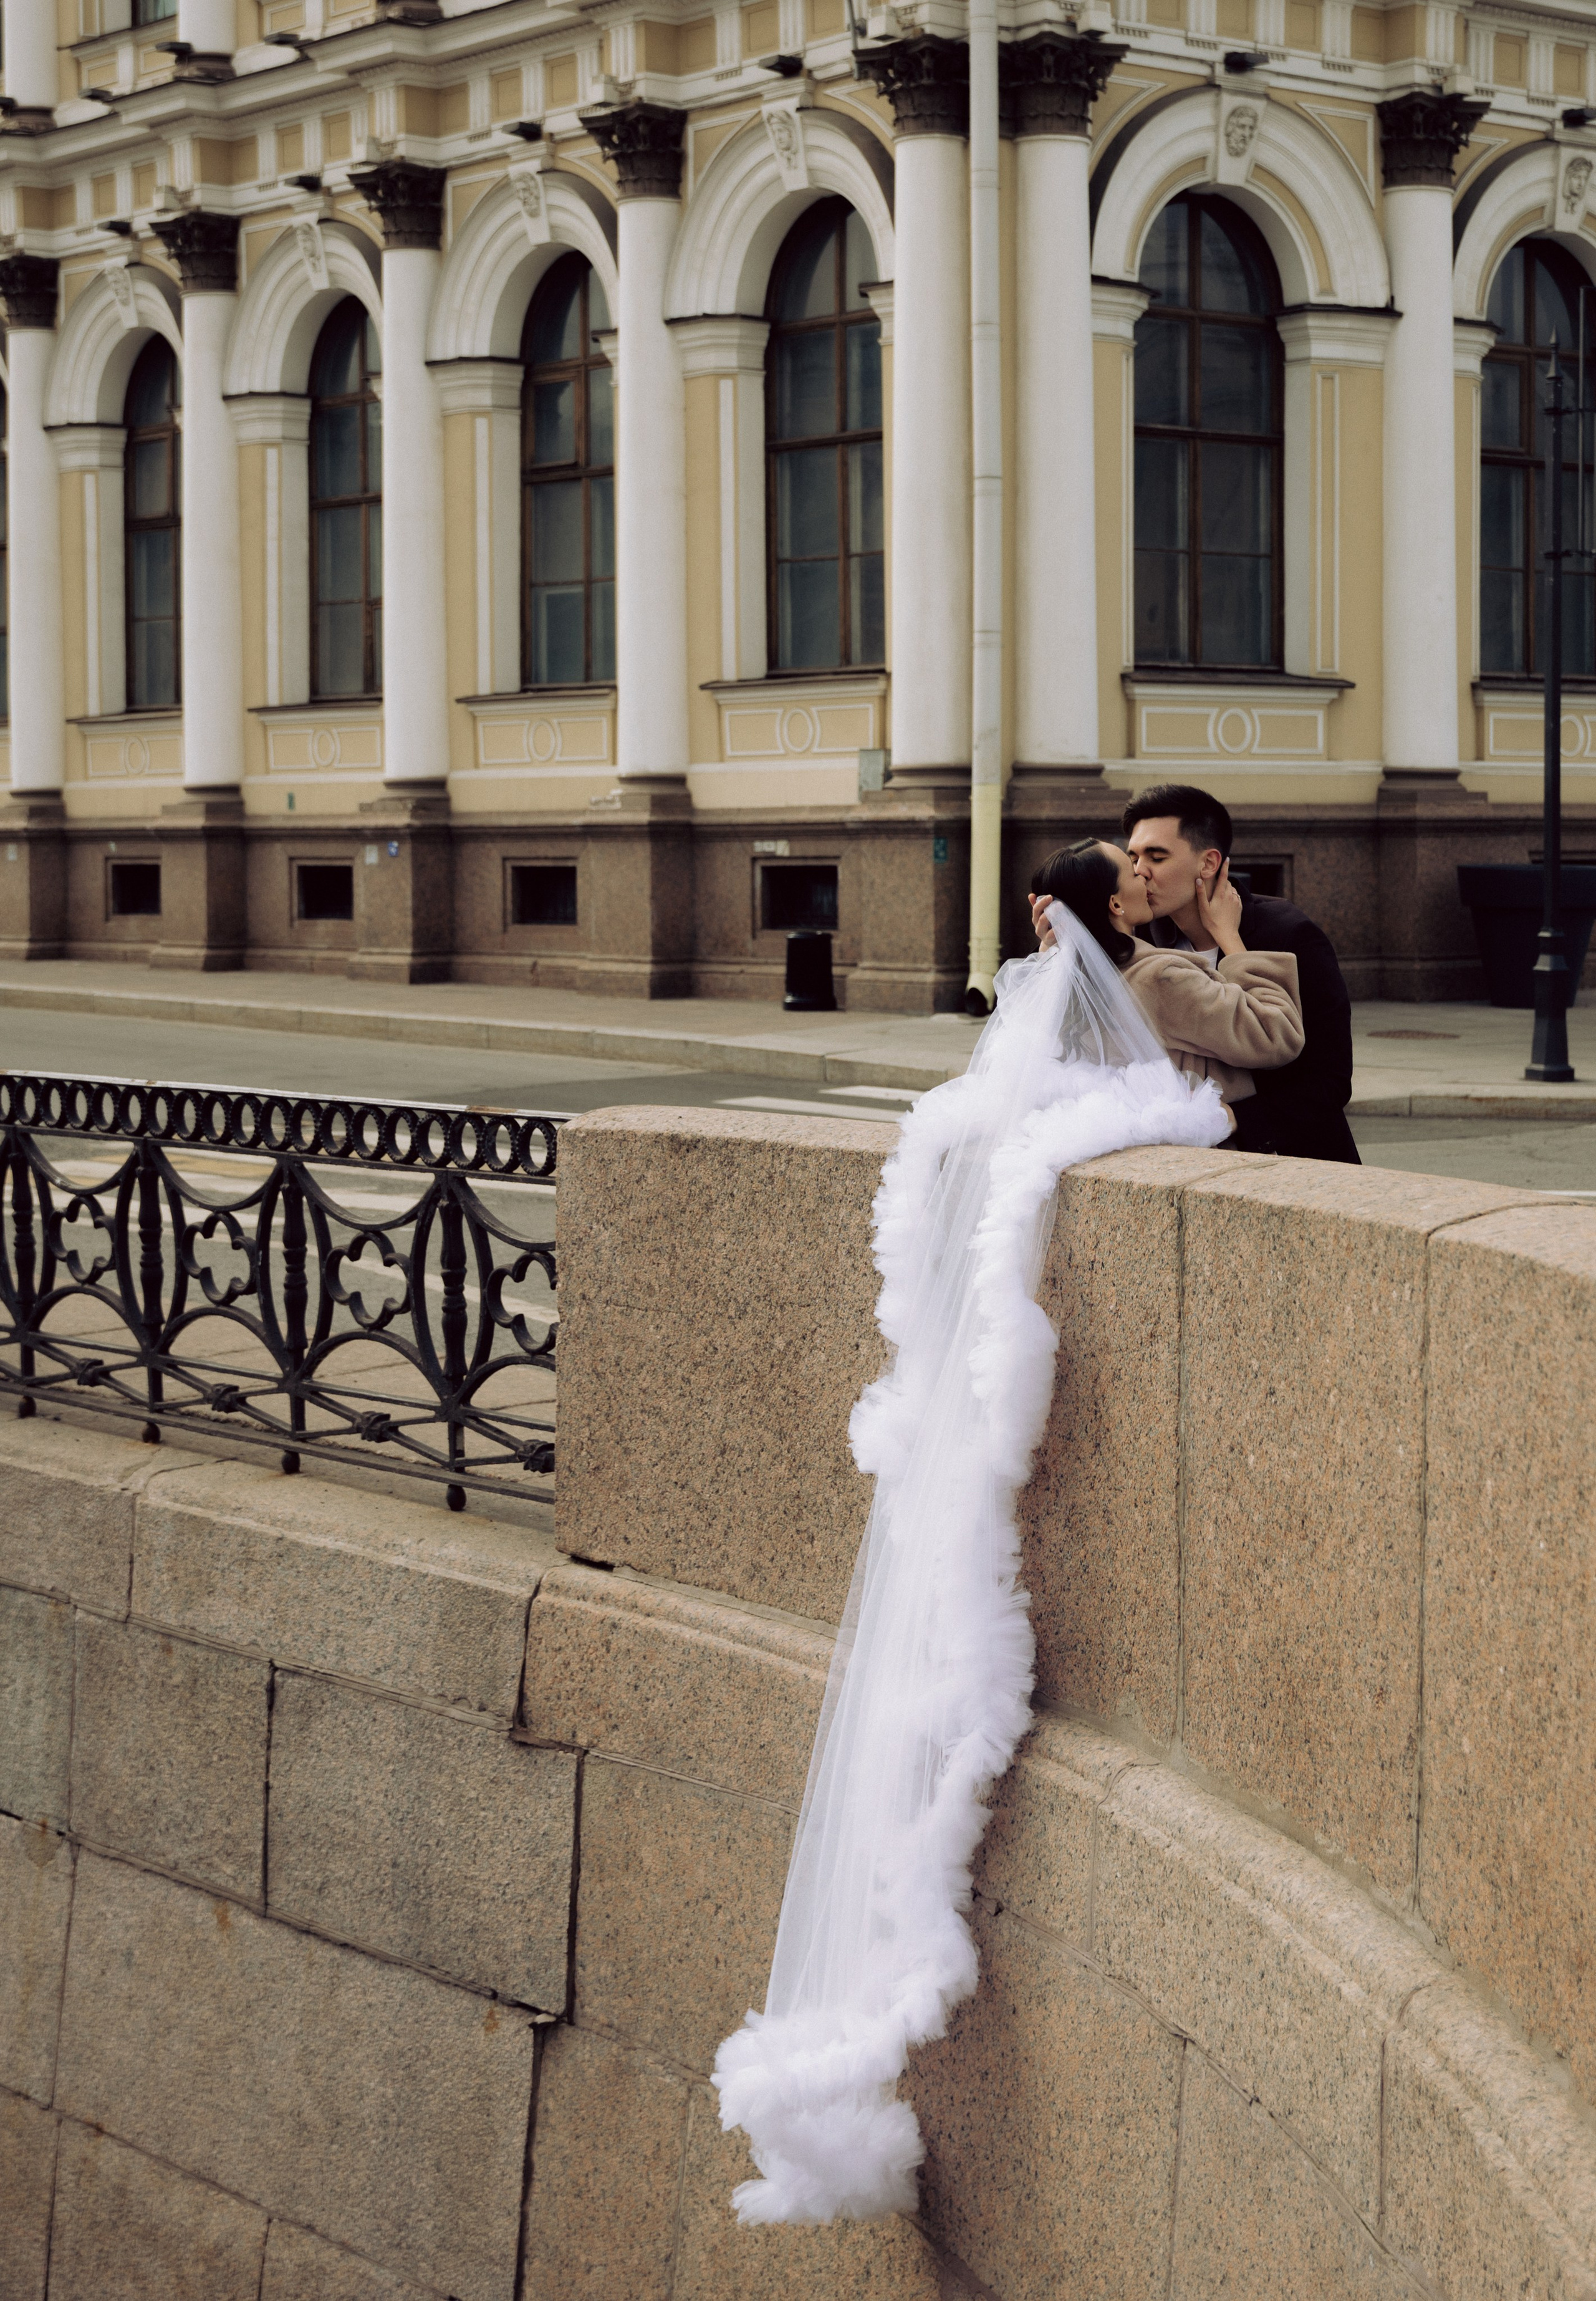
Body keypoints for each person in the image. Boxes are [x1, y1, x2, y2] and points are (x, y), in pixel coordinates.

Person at [1122, 782, 1361, 1163]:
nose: (1139, 872)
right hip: (1185, 1166)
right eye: (1132, 858)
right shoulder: (1150, 937)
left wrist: (1228, 1119)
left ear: (1209, 863)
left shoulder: (1286, 932)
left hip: (1292, 1165)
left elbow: (1329, 1081)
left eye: (1157, 857)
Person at [1027, 839, 1303, 1136]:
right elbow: (1276, 1036)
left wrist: (1054, 945)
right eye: (1132, 871)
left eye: (1154, 858)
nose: (1143, 874)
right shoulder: (1161, 978)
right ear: (1116, 904)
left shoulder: (1066, 985)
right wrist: (1231, 940)